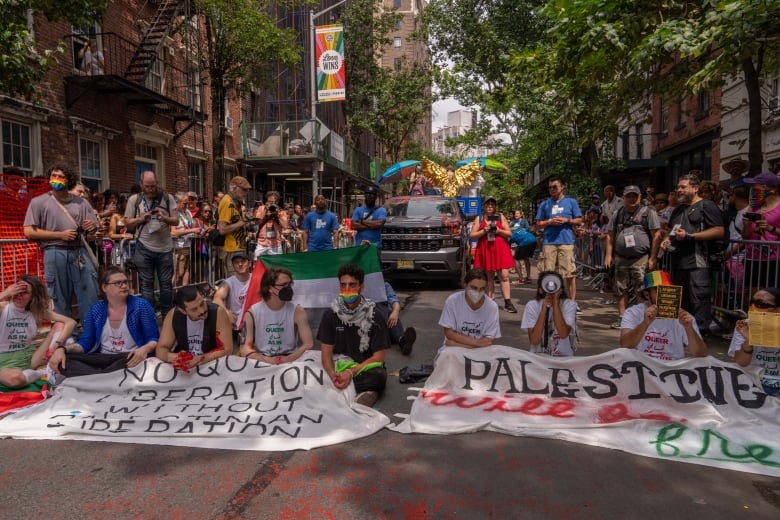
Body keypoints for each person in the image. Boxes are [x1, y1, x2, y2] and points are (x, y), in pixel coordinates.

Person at [23, 165, 101, 327]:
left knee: (89, 294)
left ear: (69, 180)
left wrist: (91, 226)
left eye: (60, 176)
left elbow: (94, 228)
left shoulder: (82, 203)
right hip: (54, 251)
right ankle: (66, 338)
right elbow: (29, 231)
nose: (56, 179)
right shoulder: (38, 202)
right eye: (53, 175)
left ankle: (91, 335)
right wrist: (59, 235)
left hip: (79, 252)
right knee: (59, 297)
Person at [48, 267, 159, 377]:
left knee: (144, 362)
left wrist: (144, 349)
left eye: (125, 282)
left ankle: (99, 377)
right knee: (65, 360)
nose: (124, 286)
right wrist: (63, 349)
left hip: (129, 358)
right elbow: (86, 342)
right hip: (103, 358)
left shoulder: (140, 305)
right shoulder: (96, 310)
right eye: (118, 283)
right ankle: (106, 376)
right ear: (105, 287)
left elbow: (154, 339)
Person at [318, 264, 389, 407]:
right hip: (338, 366)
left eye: (352, 285)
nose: (347, 289)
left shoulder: (375, 315)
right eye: (343, 285)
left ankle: (344, 389)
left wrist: (350, 373)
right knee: (315, 374)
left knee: (379, 376)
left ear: (361, 287)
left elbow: (379, 357)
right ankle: (364, 392)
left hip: (363, 368)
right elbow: (326, 354)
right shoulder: (330, 314)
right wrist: (333, 375)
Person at [663, 173, 725, 334]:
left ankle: (700, 336)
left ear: (695, 188)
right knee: (681, 301)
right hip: (677, 262)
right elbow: (671, 232)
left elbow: (719, 231)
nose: (679, 190)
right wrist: (667, 240)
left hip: (698, 263)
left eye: (683, 187)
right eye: (678, 187)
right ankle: (682, 335)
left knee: (699, 300)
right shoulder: (678, 210)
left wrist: (690, 237)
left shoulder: (707, 205)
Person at [0, 276, 76, 388]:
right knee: (15, 379)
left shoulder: (35, 311)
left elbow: (70, 322)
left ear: (33, 297)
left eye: (25, 292)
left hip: (31, 357)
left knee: (60, 325)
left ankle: (42, 371)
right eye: (17, 290)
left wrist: (56, 344)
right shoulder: (4, 308)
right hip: (5, 362)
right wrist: (6, 292)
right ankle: (43, 373)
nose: (19, 295)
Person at [604, 185, 662, 329]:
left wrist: (653, 258)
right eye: (628, 196)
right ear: (623, 198)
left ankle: (639, 318)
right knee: (620, 288)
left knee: (641, 289)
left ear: (639, 197)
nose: (631, 199)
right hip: (620, 258)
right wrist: (608, 255)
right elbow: (610, 235)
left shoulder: (648, 212)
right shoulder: (618, 213)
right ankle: (622, 318)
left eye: (634, 196)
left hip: (641, 257)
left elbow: (656, 235)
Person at [122, 171, 178, 316]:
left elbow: (176, 220)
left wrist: (164, 218)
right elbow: (127, 221)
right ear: (141, 184)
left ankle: (168, 317)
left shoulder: (167, 198)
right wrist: (141, 218)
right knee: (146, 285)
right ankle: (149, 317)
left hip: (164, 248)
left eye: (153, 186)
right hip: (144, 247)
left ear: (157, 183)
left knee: (166, 285)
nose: (151, 189)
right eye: (147, 186)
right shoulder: (134, 200)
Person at [619, 270, 706, 360]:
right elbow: (625, 345)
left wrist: (689, 329)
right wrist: (645, 323)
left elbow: (701, 353)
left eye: (668, 290)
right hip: (643, 366)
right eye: (658, 291)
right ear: (647, 294)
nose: (664, 295)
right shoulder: (633, 313)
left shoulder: (684, 317)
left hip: (672, 368)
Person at [241, 267, 314, 364]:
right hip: (262, 360)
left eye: (289, 284)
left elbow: (308, 344)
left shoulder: (297, 311)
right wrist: (268, 360)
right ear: (270, 288)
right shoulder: (252, 313)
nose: (288, 288)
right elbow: (244, 348)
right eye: (283, 285)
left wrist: (287, 359)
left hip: (290, 359)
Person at [156, 286, 233, 371]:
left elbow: (228, 349)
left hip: (211, 364)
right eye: (194, 309)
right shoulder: (173, 315)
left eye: (202, 304)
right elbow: (161, 349)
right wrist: (176, 357)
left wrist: (200, 358)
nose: (202, 310)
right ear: (183, 311)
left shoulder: (218, 312)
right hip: (185, 367)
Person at [535, 176, 583, 305]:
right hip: (549, 242)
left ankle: (572, 303)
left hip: (566, 242)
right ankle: (548, 300)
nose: (552, 189)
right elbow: (538, 224)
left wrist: (566, 220)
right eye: (550, 187)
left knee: (569, 273)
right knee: (547, 274)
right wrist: (550, 221)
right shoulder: (544, 204)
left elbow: (579, 219)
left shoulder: (571, 202)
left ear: (562, 187)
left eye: (555, 187)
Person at [729, 288, 780, 396]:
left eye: (761, 304)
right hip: (751, 382)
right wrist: (749, 341)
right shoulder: (744, 326)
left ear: (777, 310)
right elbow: (741, 363)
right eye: (752, 302)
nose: (753, 307)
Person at [470, 196, 517, 313]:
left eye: (492, 204)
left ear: (495, 206)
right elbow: (472, 236)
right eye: (487, 204)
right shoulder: (479, 218)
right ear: (484, 206)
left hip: (500, 249)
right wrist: (483, 231)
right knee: (489, 277)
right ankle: (490, 301)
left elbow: (509, 234)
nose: (490, 206)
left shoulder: (500, 217)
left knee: (504, 276)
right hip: (486, 249)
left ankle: (508, 302)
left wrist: (498, 231)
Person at [439, 268, 501, 349]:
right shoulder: (453, 301)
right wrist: (478, 342)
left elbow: (489, 341)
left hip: (477, 350)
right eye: (474, 288)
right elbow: (449, 333)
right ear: (465, 285)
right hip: (455, 350)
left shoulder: (492, 307)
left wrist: (458, 345)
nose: (478, 292)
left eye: (482, 289)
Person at [520, 271, 577, 357]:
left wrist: (556, 304)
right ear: (540, 290)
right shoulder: (532, 305)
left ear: (561, 290)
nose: (551, 290)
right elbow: (534, 340)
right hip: (538, 358)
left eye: (555, 286)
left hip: (563, 359)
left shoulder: (569, 305)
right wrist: (543, 310)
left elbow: (563, 333)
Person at [741, 172, 780, 290]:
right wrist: (746, 225)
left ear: (765, 187)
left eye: (754, 185)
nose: (752, 188)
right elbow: (745, 237)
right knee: (751, 298)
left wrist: (770, 228)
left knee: (770, 298)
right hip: (751, 258)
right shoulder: (753, 207)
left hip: (774, 260)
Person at [212, 251, 252, 344]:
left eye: (243, 261)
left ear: (249, 263)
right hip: (235, 322)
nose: (240, 264)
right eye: (236, 262)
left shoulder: (255, 279)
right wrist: (226, 312)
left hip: (253, 320)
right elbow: (217, 298)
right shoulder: (229, 282)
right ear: (233, 266)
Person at [217, 176, 252, 275]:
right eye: (244, 190)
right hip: (231, 250)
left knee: (241, 281)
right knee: (235, 281)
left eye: (247, 190)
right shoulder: (228, 202)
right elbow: (222, 229)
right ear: (234, 188)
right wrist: (243, 221)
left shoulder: (236, 202)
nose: (246, 193)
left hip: (238, 248)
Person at [376, 281, 416, 355]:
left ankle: (403, 341)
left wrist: (395, 312)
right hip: (368, 322)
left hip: (384, 322)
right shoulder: (358, 285)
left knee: (392, 315)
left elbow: (395, 302)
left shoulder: (385, 285)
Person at [172, 192, 200, 287]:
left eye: (187, 203)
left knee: (186, 270)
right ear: (177, 202)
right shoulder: (173, 213)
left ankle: (184, 295)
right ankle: (173, 296)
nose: (187, 205)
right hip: (177, 247)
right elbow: (173, 232)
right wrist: (192, 230)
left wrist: (199, 231)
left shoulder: (187, 212)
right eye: (184, 203)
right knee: (177, 273)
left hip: (187, 245)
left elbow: (191, 227)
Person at [253, 190, 289, 256]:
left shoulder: (281, 211)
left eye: (273, 202)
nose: (272, 204)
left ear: (277, 202)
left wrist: (277, 215)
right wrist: (265, 211)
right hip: (262, 243)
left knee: (275, 265)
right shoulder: (261, 208)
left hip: (276, 244)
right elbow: (257, 222)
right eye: (270, 202)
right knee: (258, 264)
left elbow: (285, 226)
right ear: (266, 201)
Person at [510, 210, 535, 284]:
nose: (516, 215)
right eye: (515, 213)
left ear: (521, 215)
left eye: (518, 213)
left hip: (524, 241)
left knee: (515, 259)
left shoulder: (524, 221)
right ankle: (528, 277)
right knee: (525, 258)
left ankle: (521, 279)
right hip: (532, 239)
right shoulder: (513, 222)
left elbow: (527, 228)